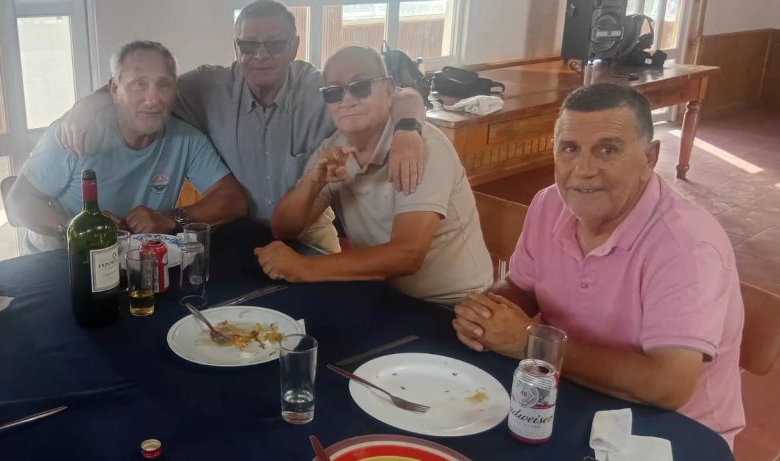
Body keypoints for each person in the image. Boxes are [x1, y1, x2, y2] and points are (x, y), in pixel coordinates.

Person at [453, 83, 744, 445]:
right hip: (572, 394)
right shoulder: (549, 204)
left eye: (608, 150)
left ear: (650, 158)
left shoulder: (686, 245)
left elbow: (668, 386)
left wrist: (532, 345)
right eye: (570, 148)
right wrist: (484, 315)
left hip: (673, 432)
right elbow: (523, 288)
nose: (583, 169)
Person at [56, 0, 429, 253]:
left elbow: (402, 94)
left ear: (295, 45)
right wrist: (87, 104)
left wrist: (408, 127)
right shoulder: (207, 87)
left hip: (308, 229)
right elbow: (147, 88)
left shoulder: (322, 90)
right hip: (236, 230)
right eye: (248, 45)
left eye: (274, 44)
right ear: (235, 48)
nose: (261, 55)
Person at [259, 46, 492, 305]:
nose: (347, 101)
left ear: (389, 90)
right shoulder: (334, 149)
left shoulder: (420, 146)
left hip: (455, 305)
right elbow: (284, 229)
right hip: (386, 295)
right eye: (334, 92)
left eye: (360, 87)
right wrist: (313, 181)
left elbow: (407, 255)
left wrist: (305, 268)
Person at [7, 41, 247, 253]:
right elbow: (18, 201)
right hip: (57, 259)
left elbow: (234, 200)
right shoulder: (75, 132)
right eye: (138, 84)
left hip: (134, 262)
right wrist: (74, 228)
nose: (152, 99)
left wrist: (170, 218)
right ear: (114, 89)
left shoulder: (186, 138)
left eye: (163, 85)